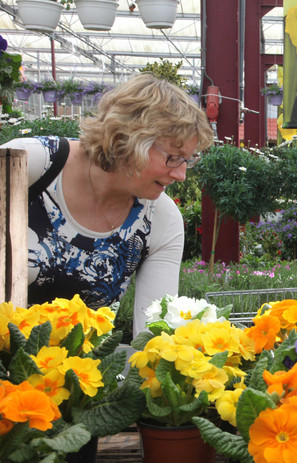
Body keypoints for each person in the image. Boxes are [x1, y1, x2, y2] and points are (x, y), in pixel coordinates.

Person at [3, 73, 214, 336]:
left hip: (78, 372)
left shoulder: (160, 219)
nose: (181, 174)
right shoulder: (29, 165)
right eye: (173, 158)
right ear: (130, 139)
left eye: (188, 160)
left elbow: (152, 335)